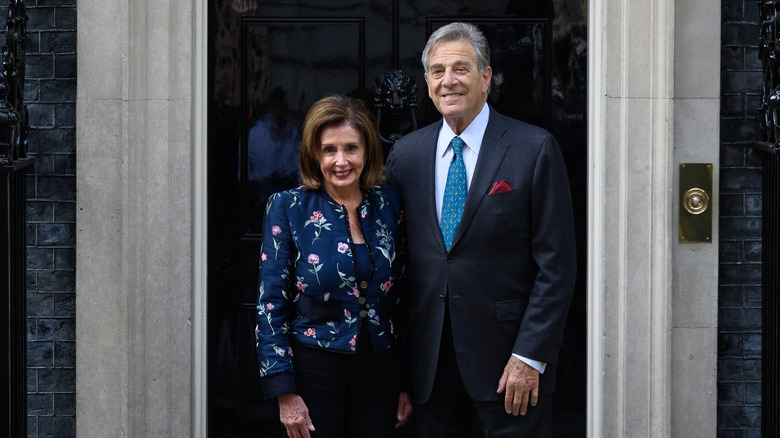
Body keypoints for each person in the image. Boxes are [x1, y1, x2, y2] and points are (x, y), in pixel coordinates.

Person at [385, 22, 576, 437]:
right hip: (430, 366)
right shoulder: (407, 155)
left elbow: (557, 267)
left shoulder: (534, 148)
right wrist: (398, 369)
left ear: (486, 77)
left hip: (509, 366)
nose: (448, 81)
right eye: (437, 71)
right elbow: (396, 264)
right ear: (427, 81)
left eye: (460, 68)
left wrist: (530, 356)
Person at [255, 94, 412, 438]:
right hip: (314, 370)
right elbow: (270, 305)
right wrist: (284, 390)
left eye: (351, 148)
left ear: (367, 150)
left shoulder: (389, 204)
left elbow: (402, 297)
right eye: (329, 150)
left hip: (380, 369)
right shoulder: (288, 207)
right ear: (314, 153)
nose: (341, 161)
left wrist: (405, 381)